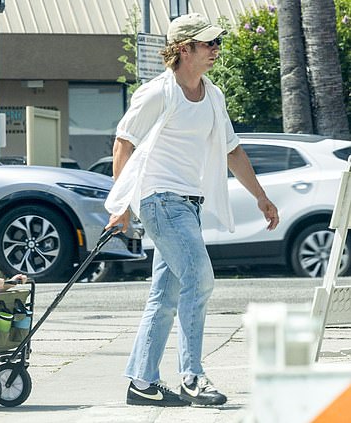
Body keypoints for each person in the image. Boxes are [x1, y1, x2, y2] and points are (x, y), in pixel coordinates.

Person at [105, 13, 279, 407]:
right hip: (159, 199)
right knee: (199, 279)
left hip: (189, 204)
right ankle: (192, 377)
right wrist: (122, 205)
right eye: (208, 43)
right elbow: (123, 143)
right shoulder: (158, 93)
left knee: (165, 295)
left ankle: (142, 381)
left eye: (217, 42)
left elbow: (232, 150)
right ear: (184, 49)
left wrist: (261, 196)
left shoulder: (213, 96)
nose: (216, 49)